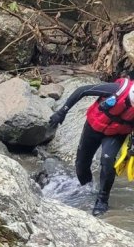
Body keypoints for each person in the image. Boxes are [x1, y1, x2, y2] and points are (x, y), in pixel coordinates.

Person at [49, 75, 134, 216]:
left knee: (107, 160)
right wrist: (62, 111)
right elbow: (82, 90)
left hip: (116, 134)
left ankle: (102, 200)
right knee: (81, 166)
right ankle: (87, 190)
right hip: (93, 127)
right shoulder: (116, 89)